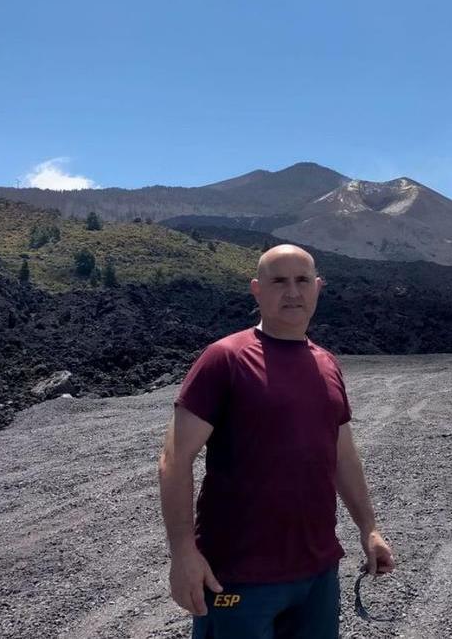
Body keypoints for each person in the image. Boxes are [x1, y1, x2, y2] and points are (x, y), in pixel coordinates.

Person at [158, 244, 395, 638]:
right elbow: (174, 458)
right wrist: (183, 552)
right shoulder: (225, 359)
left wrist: (368, 527)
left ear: (318, 287)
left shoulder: (326, 363)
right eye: (278, 281)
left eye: (302, 281)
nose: (292, 292)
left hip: (317, 573)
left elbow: (343, 455)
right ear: (256, 289)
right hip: (237, 577)